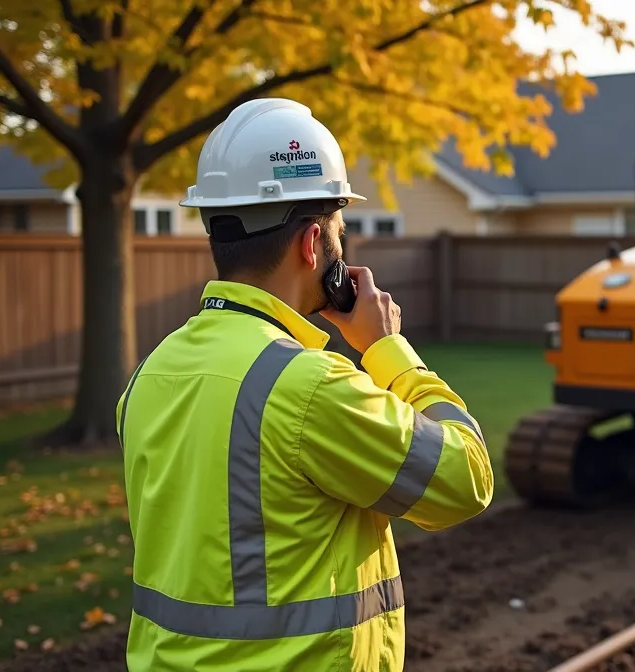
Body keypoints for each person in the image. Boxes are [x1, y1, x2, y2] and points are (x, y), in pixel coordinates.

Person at [115, 97, 493, 671]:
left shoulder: (151, 373)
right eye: (340, 230)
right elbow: (466, 480)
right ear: (313, 243)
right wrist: (388, 351)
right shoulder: (308, 387)